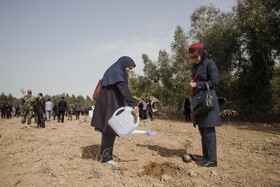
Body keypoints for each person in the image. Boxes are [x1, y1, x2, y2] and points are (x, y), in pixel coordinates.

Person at [91, 56, 139, 165]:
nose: (130, 71)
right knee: (109, 129)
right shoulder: (116, 73)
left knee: (110, 129)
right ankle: (106, 159)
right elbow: (124, 90)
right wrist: (134, 104)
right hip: (109, 104)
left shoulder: (115, 70)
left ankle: (107, 156)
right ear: (124, 64)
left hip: (109, 103)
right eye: (129, 68)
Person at [187, 43, 221, 167]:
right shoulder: (194, 67)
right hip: (200, 101)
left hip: (208, 100)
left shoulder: (210, 64)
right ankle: (206, 157)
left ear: (201, 53)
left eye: (195, 57)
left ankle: (212, 160)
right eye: (191, 57)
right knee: (202, 129)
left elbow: (214, 81)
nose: (194, 59)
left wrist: (197, 85)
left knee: (209, 130)